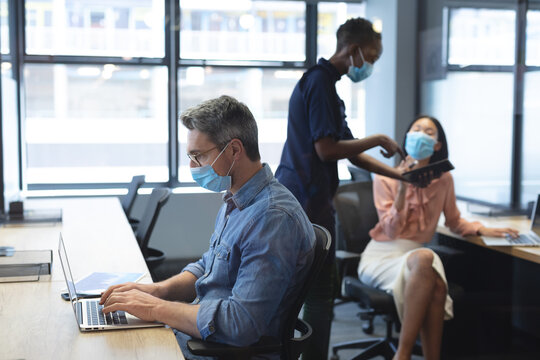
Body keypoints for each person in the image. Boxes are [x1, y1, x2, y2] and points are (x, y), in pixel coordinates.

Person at [100, 95, 316, 359]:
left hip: (218, 350)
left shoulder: (272, 218)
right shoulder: (236, 199)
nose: (192, 167)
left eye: (198, 156)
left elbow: (241, 323)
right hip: (197, 336)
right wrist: (158, 291)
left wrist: (156, 308)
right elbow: (208, 267)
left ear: (235, 150)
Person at [275, 17, 406, 359]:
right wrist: (377, 138)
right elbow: (327, 150)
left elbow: (350, 149)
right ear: (353, 50)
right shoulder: (318, 83)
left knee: (315, 292)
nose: (371, 66)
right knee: (319, 293)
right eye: (372, 58)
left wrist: (396, 175)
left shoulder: (327, 88)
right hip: (306, 202)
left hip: (309, 199)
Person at [358, 115, 519, 360]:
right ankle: (403, 355)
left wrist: (482, 229)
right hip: (382, 255)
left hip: (414, 258)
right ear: (408, 137)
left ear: (437, 145)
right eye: (417, 129)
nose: (421, 133)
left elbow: (454, 221)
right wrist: (402, 186)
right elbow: (390, 230)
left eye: (429, 132)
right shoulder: (385, 175)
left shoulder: (444, 179)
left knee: (430, 271)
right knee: (427, 261)